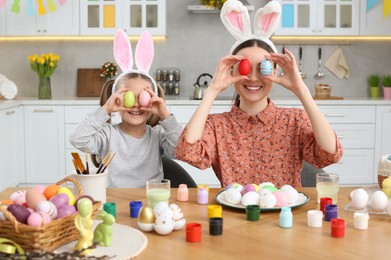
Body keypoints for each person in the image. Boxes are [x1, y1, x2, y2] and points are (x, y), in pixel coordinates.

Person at [175, 0, 343, 188]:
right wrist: (212, 91)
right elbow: (186, 152)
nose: (253, 78)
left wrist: (302, 90)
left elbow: (330, 153)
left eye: (262, 68)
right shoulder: (217, 126)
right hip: (235, 215)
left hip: (283, 215)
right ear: (231, 72)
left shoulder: (293, 120)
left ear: (275, 70)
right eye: (245, 68)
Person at [70, 30, 183, 188]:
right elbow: (77, 139)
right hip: (114, 202)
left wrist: (166, 116)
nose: (136, 104)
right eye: (129, 97)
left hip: (150, 201)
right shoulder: (107, 134)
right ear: (116, 99)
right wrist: (105, 110)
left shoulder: (158, 135)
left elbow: (181, 151)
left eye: (143, 96)